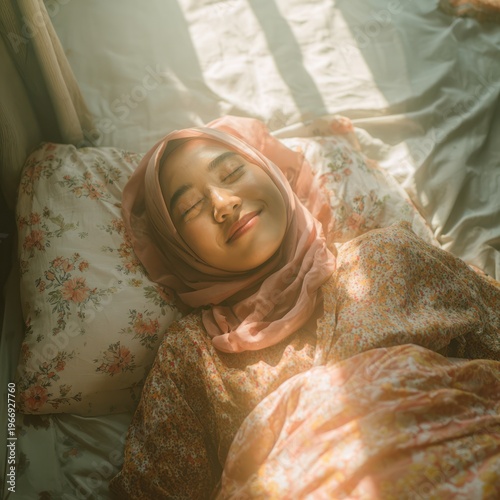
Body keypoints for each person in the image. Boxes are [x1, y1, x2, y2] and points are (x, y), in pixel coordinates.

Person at [110, 116, 500, 499]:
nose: (223, 204)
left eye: (230, 173)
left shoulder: (388, 255)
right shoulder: (194, 358)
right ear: (178, 249)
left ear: (272, 173)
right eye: (191, 207)